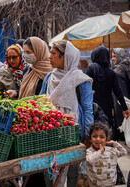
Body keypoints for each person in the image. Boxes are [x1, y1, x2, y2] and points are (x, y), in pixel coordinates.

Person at [39, 40, 94, 187]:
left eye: (54, 53)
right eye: (50, 53)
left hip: (74, 133)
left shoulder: (80, 80)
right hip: (50, 132)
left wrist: (88, 135)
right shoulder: (49, 78)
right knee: (51, 171)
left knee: (73, 175)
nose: (49, 57)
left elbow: (87, 108)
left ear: (66, 57)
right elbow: (40, 102)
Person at [85, 46, 130, 136]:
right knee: (105, 127)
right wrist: (125, 108)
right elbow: (118, 92)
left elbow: (85, 87)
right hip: (107, 105)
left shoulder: (91, 68)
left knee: (94, 127)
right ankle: (104, 143)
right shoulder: (111, 72)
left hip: (92, 104)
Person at [86, 122, 127, 187]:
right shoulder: (90, 151)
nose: (98, 139)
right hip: (94, 184)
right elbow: (90, 160)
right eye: (94, 136)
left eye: (102, 137)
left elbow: (124, 152)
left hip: (110, 183)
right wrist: (100, 152)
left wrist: (114, 143)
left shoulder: (110, 150)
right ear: (90, 139)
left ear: (107, 139)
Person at [112, 49, 130, 140]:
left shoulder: (118, 69)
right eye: (112, 56)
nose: (112, 59)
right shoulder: (126, 66)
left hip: (121, 101)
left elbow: (120, 90)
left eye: (114, 56)